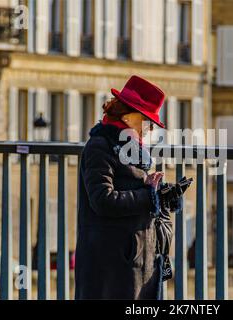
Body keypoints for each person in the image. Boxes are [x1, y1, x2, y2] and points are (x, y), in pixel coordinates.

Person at [74, 75, 180, 299]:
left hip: (135, 260)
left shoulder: (130, 149)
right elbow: (103, 200)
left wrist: (162, 196)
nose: (150, 129)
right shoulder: (100, 146)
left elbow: (135, 192)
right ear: (129, 115)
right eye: (147, 121)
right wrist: (149, 196)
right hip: (113, 265)